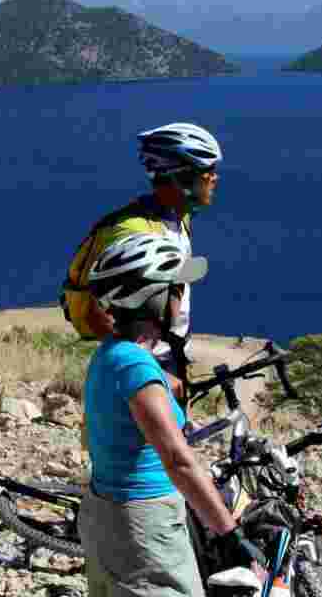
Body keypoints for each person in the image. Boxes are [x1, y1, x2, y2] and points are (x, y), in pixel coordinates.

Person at [80, 231, 259, 597]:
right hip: (145, 526)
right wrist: (229, 534)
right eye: (177, 289)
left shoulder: (110, 354)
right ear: (155, 297)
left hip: (104, 513)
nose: (182, 299)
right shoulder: (135, 366)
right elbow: (177, 461)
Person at [84, 122, 222, 401]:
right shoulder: (131, 232)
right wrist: (148, 368)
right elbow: (96, 308)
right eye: (208, 171)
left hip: (170, 355)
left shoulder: (179, 216)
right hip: (146, 368)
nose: (214, 178)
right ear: (183, 178)